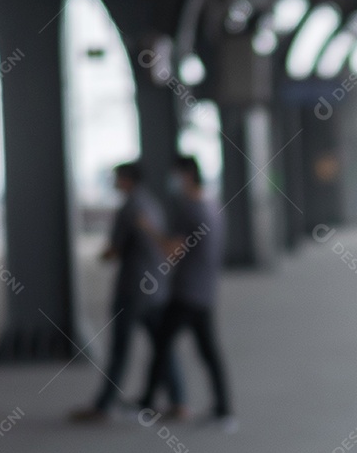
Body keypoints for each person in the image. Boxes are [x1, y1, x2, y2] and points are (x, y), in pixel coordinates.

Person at [70, 161, 185, 423]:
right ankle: (179, 401)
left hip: (132, 290)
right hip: (156, 288)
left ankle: (104, 405)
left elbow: (114, 250)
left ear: (128, 180)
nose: (114, 182)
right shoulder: (152, 204)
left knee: (120, 350)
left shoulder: (129, 208)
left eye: (117, 178)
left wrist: (102, 256)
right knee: (162, 345)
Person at [137, 155, 236, 433]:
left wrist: (149, 230)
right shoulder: (213, 206)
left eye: (176, 175)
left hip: (186, 292)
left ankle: (147, 404)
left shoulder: (189, 210)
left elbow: (172, 251)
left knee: (163, 345)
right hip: (204, 290)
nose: (173, 181)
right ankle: (223, 410)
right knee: (204, 351)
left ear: (188, 175)